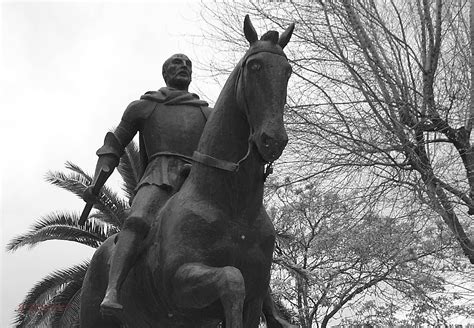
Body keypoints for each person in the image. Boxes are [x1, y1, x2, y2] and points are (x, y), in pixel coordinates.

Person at [83, 53, 211, 316]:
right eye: (177, 63)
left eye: (188, 64)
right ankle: (113, 289)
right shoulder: (145, 106)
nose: (183, 67)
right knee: (138, 219)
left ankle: (265, 308)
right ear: (165, 73)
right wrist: (98, 180)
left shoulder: (207, 113)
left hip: (197, 180)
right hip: (159, 175)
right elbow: (113, 146)